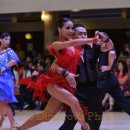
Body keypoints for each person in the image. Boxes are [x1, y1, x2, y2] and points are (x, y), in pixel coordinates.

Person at [13, 18, 101, 130]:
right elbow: (70, 44)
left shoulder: (73, 47)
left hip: (66, 86)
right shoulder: (57, 44)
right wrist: (92, 39)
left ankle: (20, 128)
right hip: (55, 84)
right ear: (59, 29)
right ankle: (86, 127)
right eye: (67, 28)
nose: (70, 31)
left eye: (71, 28)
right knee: (74, 102)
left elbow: (56, 64)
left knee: (46, 116)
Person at [55, 24, 114, 130]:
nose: (83, 36)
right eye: (80, 34)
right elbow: (55, 66)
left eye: (85, 34)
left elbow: (109, 46)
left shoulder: (92, 48)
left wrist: (105, 38)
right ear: (73, 36)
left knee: (94, 123)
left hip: (93, 90)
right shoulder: (68, 51)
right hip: (75, 91)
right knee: (69, 122)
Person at [0, 32, 20, 128]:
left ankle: (13, 122)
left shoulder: (9, 51)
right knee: (1, 101)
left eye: (9, 39)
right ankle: (2, 118)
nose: (8, 41)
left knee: (3, 102)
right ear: (0, 39)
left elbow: (15, 60)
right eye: (6, 39)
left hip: (5, 79)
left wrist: (5, 67)